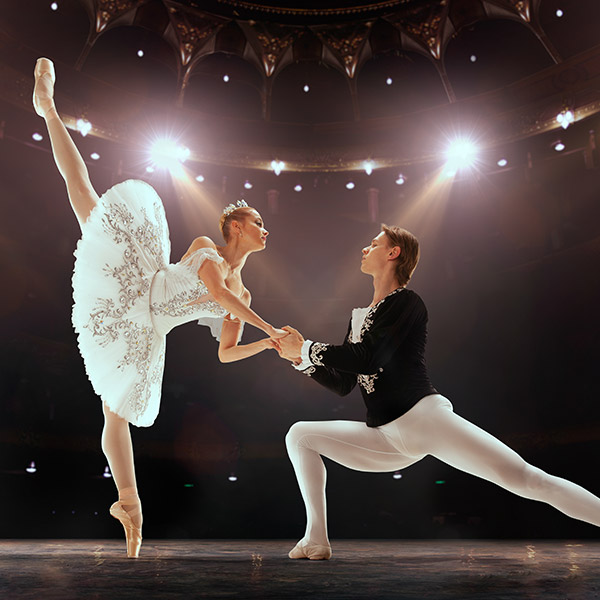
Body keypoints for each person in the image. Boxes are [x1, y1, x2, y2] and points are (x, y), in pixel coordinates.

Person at [33, 57, 286, 558]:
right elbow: (217, 295)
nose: (265, 230)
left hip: (150, 328)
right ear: (236, 226)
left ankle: (129, 502)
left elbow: (226, 354)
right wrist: (273, 328)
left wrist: (267, 344)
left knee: (117, 408)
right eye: (258, 222)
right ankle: (47, 109)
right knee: (84, 195)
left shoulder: (246, 295)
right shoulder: (207, 251)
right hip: (136, 278)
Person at [277, 225, 600, 560]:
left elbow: (371, 359)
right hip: (385, 437)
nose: (364, 249)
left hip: (425, 420)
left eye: (373, 244)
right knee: (299, 435)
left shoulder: (407, 303)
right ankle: (316, 539)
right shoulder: (358, 317)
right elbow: (345, 382)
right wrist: (302, 359)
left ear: (393, 253)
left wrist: (308, 347)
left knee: (528, 480)